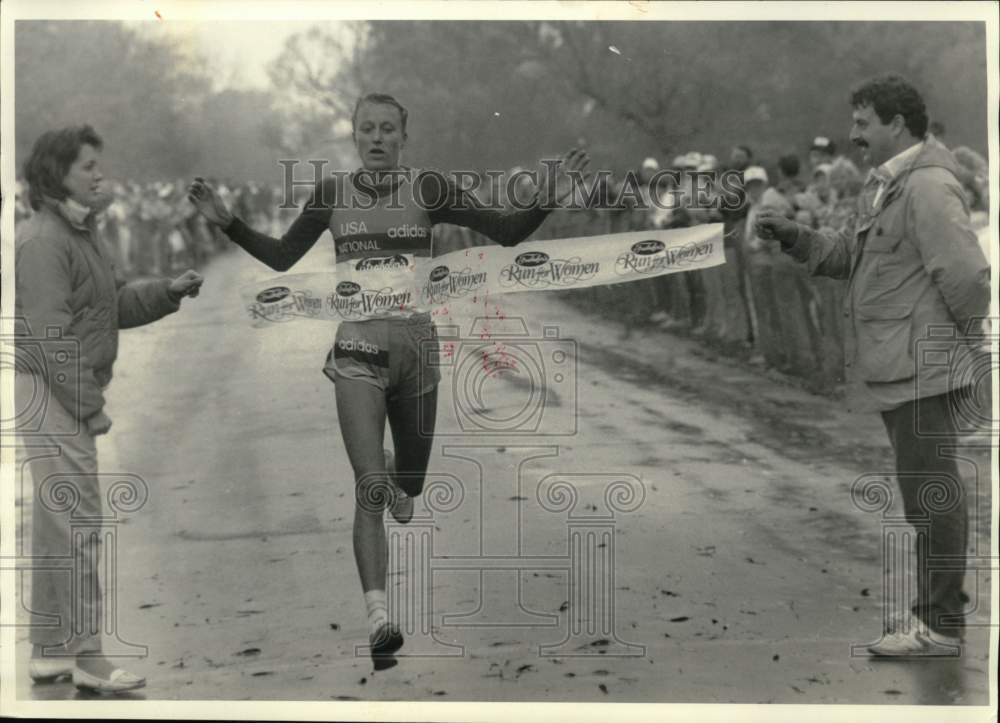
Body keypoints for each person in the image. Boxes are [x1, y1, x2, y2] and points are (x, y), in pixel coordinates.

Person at [187, 93, 589, 664]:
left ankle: (399, 478)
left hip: (417, 350)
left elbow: (506, 233)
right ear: (354, 136)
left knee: (409, 484)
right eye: (367, 129)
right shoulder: (331, 193)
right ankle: (378, 617)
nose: (376, 138)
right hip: (357, 350)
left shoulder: (429, 188)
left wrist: (546, 198)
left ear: (404, 136)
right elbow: (282, 258)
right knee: (370, 486)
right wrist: (228, 222)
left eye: (387, 129)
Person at [756, 74, 990, 657]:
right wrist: (798, 237)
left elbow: (967, 278)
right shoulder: (886, 185)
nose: (854, 134)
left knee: (932, 494)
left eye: (863, 123)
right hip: (901, 365)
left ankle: (940, 626)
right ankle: (933, 619)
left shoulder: (928, 187)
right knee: (923, 495)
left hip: (923, 364)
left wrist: (959, 349)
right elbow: (850, 256)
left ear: (897, 124)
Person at [14, 125, 204, 692]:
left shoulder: (81, 232)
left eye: (99, 164)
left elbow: (110, 304)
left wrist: (166, 292)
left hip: (60, 387)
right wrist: (90, 407)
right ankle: (89, 655)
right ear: (58, 175)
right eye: (88, 166)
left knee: (57, 520)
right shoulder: (43, 241)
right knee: (78, 520)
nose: (100, 174)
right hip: (50, 388)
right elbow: (51, 337)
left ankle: (51, 649)